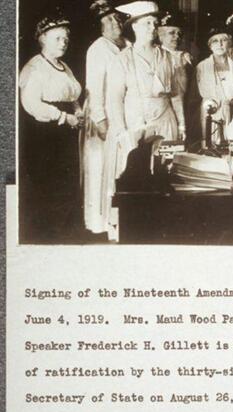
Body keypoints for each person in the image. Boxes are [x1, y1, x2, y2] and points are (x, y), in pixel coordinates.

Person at [104, 1, 185, 238]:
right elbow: (114, 100)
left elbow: (177, 94)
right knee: (134, 175)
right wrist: (121, 132)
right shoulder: (122, 60)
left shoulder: (168, 58)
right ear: (135, 26)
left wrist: (182, 124)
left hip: (165, 120)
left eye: (154, 22)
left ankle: (167, 226)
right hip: (134, 123)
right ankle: (135, 228)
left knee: (166, 173)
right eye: (148, 22)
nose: (153, 26)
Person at [19, 12, 83, 242]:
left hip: (67, 130)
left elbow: (72, 94)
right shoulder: (35, 67)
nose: (63, 42)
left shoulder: (64, 66)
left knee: (67, 182)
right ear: (43, 38)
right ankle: (49, 236)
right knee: (50, 182)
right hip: (46, 133)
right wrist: (64, 117)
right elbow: (30, 103)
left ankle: (66, 233)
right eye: (57, 38)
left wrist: (77, 111)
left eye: (65, 39)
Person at [81, 0, 129, 237]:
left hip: (124, 116)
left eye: (117, 17)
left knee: (121, 167)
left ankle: (121, 220)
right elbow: (94, 88)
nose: (115, 22)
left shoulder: (129, 45)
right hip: (104, 117)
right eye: (108, 20)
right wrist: (100, 120)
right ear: (100, 26)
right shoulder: (98, 49)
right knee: (100, 168)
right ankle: (99, 222)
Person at [196, 24, 233, 143]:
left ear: (229, 43)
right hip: (210, 113)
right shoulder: (202, 67)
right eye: (215, 41)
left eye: (223, 40)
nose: (219, 44)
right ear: (210, 46)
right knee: (210, 145)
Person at [158, 11, 193, 96]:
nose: (177, 37)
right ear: (161, 35)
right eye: (172, 33)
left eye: (179, 33)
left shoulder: (186, 58)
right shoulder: (157, 55)